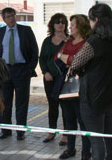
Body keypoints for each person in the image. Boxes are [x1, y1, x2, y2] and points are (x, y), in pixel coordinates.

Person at [69, 3, 112, 160]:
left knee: (96, 138)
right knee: (109, 132)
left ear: (96, 20)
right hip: (111, 95)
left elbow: (75, 64)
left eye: (90, 20)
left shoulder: (93, 41)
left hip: (92, 97)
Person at [0, 7, 39, 141]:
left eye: (13, 15)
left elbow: (34, 51)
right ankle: (5, 130)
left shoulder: (26, 31)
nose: (11, 18)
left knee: (22, 103)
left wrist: (29, 68)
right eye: (8, 16)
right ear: (4, 19)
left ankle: (20, 131)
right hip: (5, 70)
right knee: (5, 102)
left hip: (22, 70)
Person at [54, 14, 92, 160]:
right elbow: (57, 56)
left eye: (73, 25)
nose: (69, 27)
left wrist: (68, 59)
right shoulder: (69, 42)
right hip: (65, 88)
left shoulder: (87, 43)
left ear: (81, 26)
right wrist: (70, 59)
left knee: (83, 122)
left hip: (81, 89)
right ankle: (70, 149)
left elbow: (79, 62)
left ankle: (86, 152)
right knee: (68, 120)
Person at [39, 13, 69, 145]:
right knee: (52, 106)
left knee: (66, 107)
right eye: (57, 22)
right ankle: (52, 131)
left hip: (64, 80)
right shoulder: (47, 41)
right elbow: (42, 59)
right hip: (49, 79)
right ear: (52, 24)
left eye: (63, 22)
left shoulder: (69, 40)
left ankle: (66, 135)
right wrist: (45, 72)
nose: (60, 24)